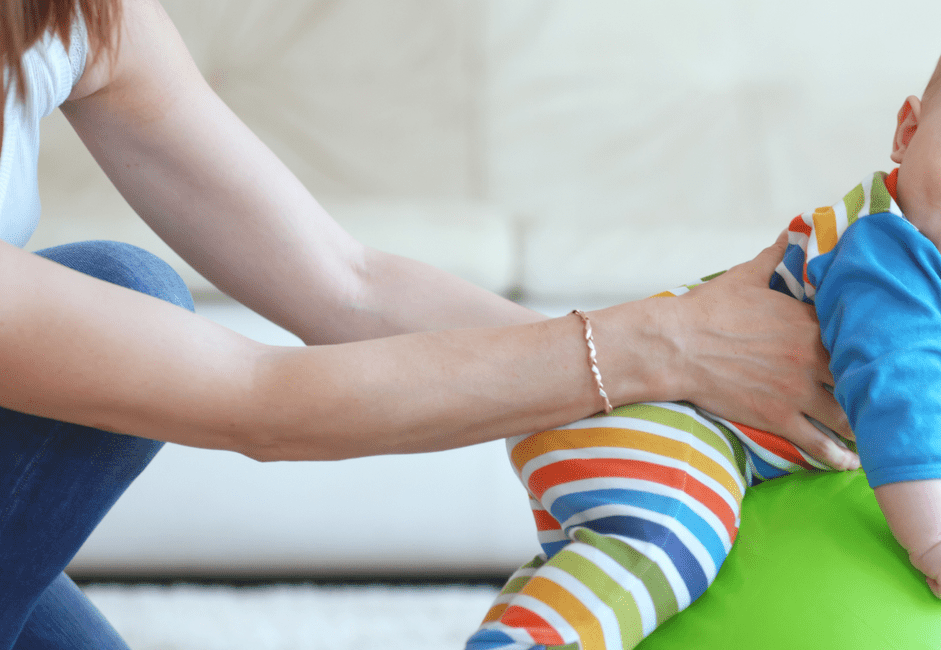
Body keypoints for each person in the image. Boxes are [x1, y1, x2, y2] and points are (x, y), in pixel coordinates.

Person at [0, 1, 861, 648]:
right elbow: (253, 401)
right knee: (132, 289)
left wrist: (689, 391)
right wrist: (662, 346)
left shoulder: (81, 17)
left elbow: (347, 285)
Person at [467, 8, 941, 650]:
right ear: (908, 132)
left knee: (627, 586)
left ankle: (541, 621)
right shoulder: (884, 253)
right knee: (668, 542)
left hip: (726, 452)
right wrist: (940, 532)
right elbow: (899, 393)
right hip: (665, 414)